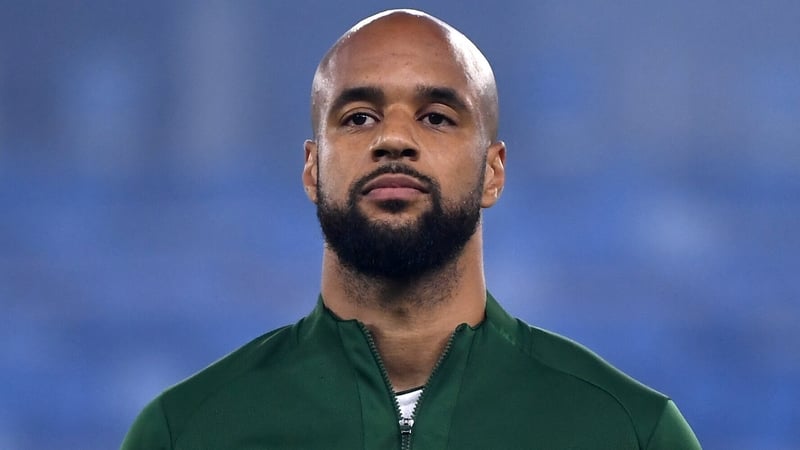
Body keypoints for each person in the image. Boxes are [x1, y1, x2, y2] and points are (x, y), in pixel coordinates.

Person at [121, 9, 701, 449]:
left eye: (436, 118)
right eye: (358, 117)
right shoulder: (186, 431)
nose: (393, 140)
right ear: (312, 168)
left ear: (493, 172)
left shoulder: (630, 432)